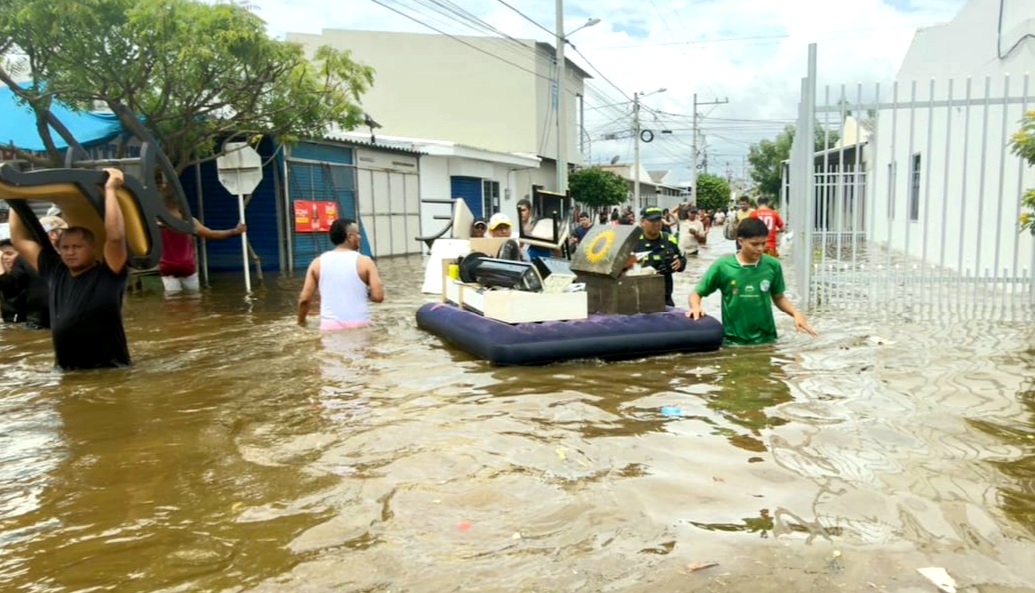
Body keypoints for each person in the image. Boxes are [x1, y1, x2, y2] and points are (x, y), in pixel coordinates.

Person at [8, 168, 132, 369]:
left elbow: (116, 237)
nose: (70, 252)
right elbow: (20, 240)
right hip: (67, 372)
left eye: (77, 247)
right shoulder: (55, 272)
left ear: (93, 248)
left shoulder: (110, 273)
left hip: (109, 370)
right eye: (65, 247)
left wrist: (110, 190)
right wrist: (12, 195)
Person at [686, 217, 816, 345]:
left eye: (763, 243)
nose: (760, 248)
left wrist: (795, 313)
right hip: (733, 341)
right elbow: (696, 293)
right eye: (754, 244)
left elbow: (779, 297)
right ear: (741, 241)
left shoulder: (772, 265)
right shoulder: (723, 266)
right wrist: (696, 307)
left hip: (767, 340)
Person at [297, 218, 384, 330]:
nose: (360, 237)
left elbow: (304, 299)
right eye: (357, 233)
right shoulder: (365, 262)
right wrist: (363, 292)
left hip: (329, 328)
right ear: (349, 237)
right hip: (360, 326)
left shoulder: (317, 263)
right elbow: (378, 297)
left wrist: (301, 322)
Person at [159, 194, 245, 294]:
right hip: (186, 265)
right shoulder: (189, 221)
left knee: (172, 301)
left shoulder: (158, 222)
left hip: (167, 267)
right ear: (180, 205)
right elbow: (211, 234)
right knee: (194, 299)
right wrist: (234, 231)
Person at [636, 206, 686, 307]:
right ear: (642, 222)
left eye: (659, 220)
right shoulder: (634, 242)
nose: (657, 224)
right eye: (652, 221)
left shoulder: (669, 239)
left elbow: (681, 259)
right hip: (639, 297)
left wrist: (680, 263)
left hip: (665, 296)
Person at [0, 237, 50, 328]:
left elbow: (10, 290)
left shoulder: (28, 274)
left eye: (9, 254)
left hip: (22, 322)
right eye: (1, 255)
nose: (4, 258)